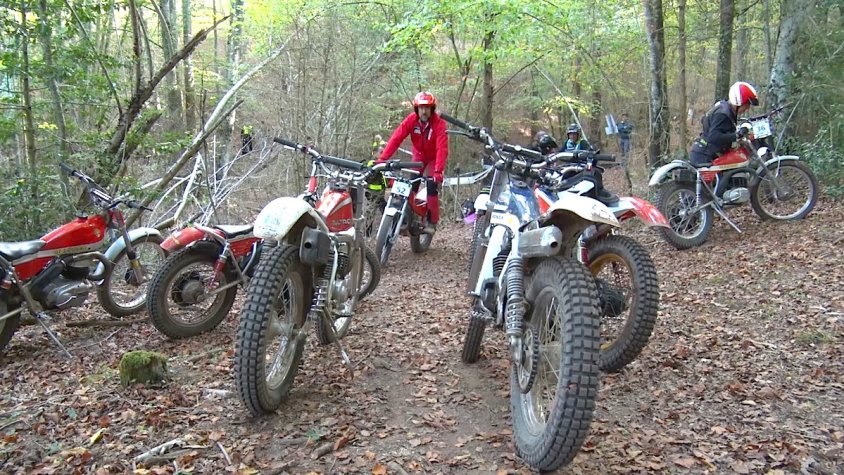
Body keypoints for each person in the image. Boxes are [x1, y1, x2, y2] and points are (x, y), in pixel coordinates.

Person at [378, 91, 449, 235]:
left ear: (432, 109)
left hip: (433, 159)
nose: (424, 111)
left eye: (427, 108)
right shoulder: (411, 120)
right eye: (421, 108)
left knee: (431, 185)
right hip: (418, 157)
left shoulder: (440, 124)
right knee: (411, 185)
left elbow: (442, 148)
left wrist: (438, 171)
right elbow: (396, 138)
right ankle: (408, 215)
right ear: (416, 109)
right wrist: (382, 159)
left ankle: (432, 220)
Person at [689, 81, 758, 166]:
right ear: (739, 102)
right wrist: (736, 136)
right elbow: (713, 137)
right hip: (705, 156)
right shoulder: (723, 114)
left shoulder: (726, 109)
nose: (747, 108)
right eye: (747, 104)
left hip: (706, 153)